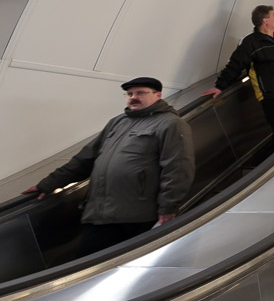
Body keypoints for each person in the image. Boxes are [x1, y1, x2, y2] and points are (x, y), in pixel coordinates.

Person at [25, 77, 195, 256]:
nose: (133, 97)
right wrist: (50, 183)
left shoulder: (171, 123)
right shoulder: (118, 122)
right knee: (89, 262)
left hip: (138, 215)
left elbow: (178, 168)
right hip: (101, 213)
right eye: (129, 94)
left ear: (158, 95)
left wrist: (168, 207)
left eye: (140, 93)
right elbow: (85, 159)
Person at [204, 6, 274, 150]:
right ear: (266, 21)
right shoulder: (251, 43)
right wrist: (220, 86)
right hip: (271, 94)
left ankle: (265, 156)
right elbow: (235, 65)